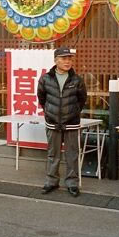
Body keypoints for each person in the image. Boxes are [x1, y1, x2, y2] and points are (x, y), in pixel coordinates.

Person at [37, 47, 87, 197]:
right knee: (53, 154)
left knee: (72, 154)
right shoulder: (45, 79)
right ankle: (51, 181)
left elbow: (82, 99)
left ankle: (72, 183)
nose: (67, 61)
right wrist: (50, 113)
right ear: (55, 60)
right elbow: (42, 98)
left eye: (69, 59)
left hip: (71, 122)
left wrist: (72, 113)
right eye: (64, 58)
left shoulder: (77, 80)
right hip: (52, 122)